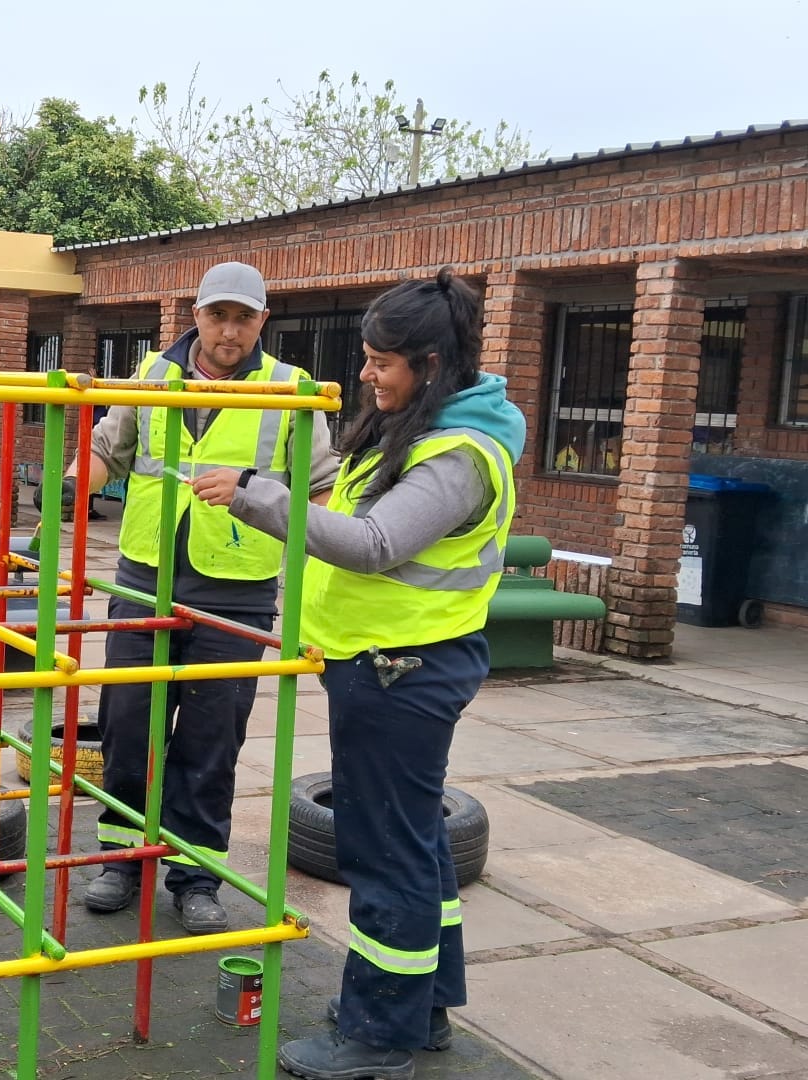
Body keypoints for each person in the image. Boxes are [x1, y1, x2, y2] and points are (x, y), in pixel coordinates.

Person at [194, 268, 522, 1080]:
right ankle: (424, 1005)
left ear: (433, 364)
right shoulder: (415, 426)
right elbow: (336, 492)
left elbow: (376, 543)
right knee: (416, 846)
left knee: (384, 852)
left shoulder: (460, 455)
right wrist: (267, 481)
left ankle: (378, 1035)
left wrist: (253, 500)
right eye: (367, 358)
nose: (367, 374)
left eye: (382, 362)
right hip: (381, 664)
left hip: (402, 670)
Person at [41, 261, 337, 934]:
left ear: (263, 321)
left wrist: (272, 507)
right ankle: (123, 860)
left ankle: (196, 875)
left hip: (237, 593)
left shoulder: (291, 390)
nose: (228, 331)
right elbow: (106, 452)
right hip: (144, 578)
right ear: (195, 316)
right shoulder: (151, 377)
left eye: (243, 318)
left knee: (211, 739)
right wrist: (66, 490)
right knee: (129, 727)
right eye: (217, 315)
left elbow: (321, 491)